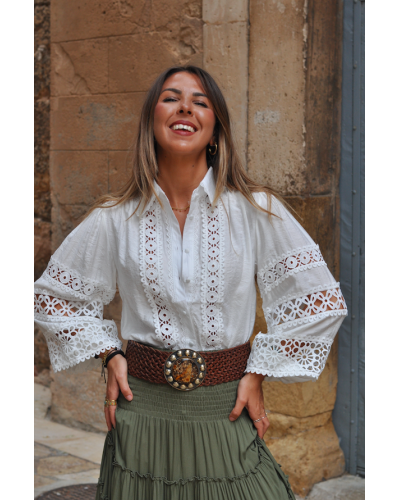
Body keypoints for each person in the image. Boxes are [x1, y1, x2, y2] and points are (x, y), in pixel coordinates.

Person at [34, 65, 347, 499]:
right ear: (151, 121)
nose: (185, 107)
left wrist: (257, 372)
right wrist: (109, 356)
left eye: (200, 102)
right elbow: (54, 299)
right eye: (171, 98)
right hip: (141, 409)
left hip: (225, 408)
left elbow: (319, 301)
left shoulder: (257, 211)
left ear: (216, 127)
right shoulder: (114, 217)